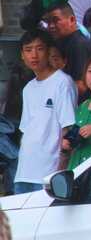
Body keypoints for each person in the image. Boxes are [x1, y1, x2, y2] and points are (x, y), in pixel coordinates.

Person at [14, 30, 77, 194]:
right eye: (28, 50)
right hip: (24, 173)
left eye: (39, 48)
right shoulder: (28, 88)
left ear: (49, 51)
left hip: (48, 173)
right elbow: (26, 131)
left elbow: (69, 128)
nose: (34, 55)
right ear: (22, 55)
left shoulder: (63, 82)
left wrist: (60, 170)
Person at [44, 2, 91, 100]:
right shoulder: (62, 42)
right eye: (48, 22)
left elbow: (81, 86)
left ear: (72, 20)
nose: (51, 26)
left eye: (55, 20)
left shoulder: (78, 44)